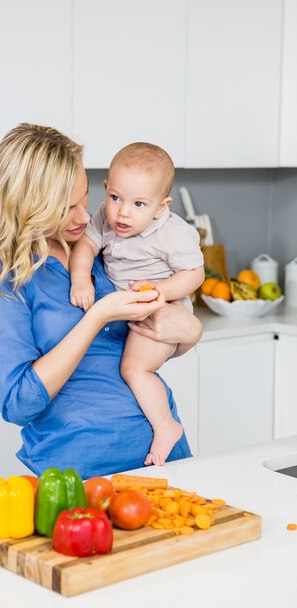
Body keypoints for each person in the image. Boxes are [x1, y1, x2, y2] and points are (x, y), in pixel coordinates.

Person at [0, 123, 202, 479]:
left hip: (166, 455)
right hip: (81, 472)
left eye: (85, 198)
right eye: (64, 207)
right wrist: (96, 317)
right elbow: (18, 401)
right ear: (25, 205)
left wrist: (191, 333)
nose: (84, 216)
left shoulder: (96, 243)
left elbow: (140, 339)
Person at [70, 142, 204, 465]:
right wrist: (80, 279)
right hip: (136, 314)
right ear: (106, 189)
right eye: (115, 197)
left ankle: (166, 426)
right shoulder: (105, 218)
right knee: (133, 365)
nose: (123, 212)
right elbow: (85, 248)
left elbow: (195, 273)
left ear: (161, 206)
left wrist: (163, 289)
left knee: (134, 368)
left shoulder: (172, 233)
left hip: (160, 310)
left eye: (139, 203)